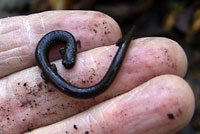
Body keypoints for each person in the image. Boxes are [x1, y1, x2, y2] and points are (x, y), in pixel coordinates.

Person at [0, 11, 195, 134]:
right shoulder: (68, 43)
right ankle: (125, 43)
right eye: (67, 61)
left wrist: (52, 71)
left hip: (51, 63)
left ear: (71, 52)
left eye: (70, 61)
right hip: (49, 64)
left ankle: (126, 43)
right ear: (67, 52)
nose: (69, 65)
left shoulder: (67, 43)